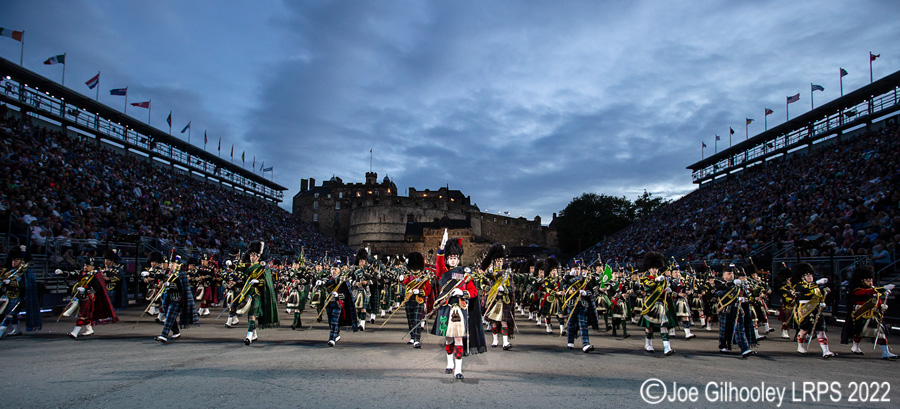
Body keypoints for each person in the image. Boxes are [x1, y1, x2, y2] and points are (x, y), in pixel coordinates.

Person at [430, 233, 486, 380]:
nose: (453, 260)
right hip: (446, 308)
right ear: (448, 259)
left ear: (458, 259)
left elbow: (474, 291)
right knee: (448, 339)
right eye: (451, 258)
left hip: (460, 308)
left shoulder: (464, 273)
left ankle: (459, 369)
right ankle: (449, 363)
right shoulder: (443, 272)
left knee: (459, 339)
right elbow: (439, 263)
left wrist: (463, 291)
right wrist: (441, 248)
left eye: (455, 258)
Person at [840, 265, 897, 359]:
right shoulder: (857, 290)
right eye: (867, 280)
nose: (870, 282)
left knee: (880, 333)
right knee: (859, 332)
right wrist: (882, 288)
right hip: (861, 314)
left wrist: (882, 306)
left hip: (873, 315)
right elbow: (866, 292)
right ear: (861, 281)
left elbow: (877, 301)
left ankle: (885, 352)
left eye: (871, 280)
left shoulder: (873, 290)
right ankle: (855, 347)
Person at [62, 255, 118, 339]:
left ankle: (75, 332)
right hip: (81, 297)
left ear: (92, 267)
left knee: (83, 314)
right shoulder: (82, 273)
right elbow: (72, 274)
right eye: (85, 265)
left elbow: (97, 288)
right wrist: (62, 272)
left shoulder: (95, 275)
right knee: (86, 315)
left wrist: (85, 289)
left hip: (88, 297)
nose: (85, 267)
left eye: (87, 266)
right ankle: (89, 329)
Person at [792, 263, 835, 358]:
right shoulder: (798, 285)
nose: (810, 277)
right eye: (808, 275)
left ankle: (826, 350)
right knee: (804, 330)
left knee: (821, 330)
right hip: (805, 310)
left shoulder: (815, 287)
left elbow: (818, 296)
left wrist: (822, 302)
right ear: (802, 277)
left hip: (815, 310)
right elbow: (806, 289)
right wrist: (818, 283)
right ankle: (800, 346)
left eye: (811, 275)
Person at [638, 252, 677, 355]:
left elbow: (664, 290)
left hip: (661, 304)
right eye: (653, 268)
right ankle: (648, 344)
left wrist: (668, 291)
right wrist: (655, 280)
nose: (654, 270)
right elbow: (646, 286)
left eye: (656, 268)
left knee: (664, 325)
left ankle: (667, 347)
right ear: (649, 268)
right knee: (649, 327)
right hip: (650, 304)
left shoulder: (662, 278)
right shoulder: (644, 277)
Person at [241, 241, 280, 346]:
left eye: (254, 255)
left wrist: (258, 282)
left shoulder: (263, 267)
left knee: (253, 313)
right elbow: (240, 271)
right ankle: (253, 333)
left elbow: (267, 281)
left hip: (258, 294)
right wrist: (231, 265)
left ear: (259, 256)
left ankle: (248, 335)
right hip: (248, 293)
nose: (252, 257)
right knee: (250, 315)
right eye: (251, 255)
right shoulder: (248, 266)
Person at [0, 245, 42, 337]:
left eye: (16, 260)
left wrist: (10, 282)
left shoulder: (25, 273)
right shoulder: (9, 272)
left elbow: (24, 284)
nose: (13, 262)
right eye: (13, 260)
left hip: (17, 295)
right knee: (10, 313)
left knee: (9, 313)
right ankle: (17, 330)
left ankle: (0, 331)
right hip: (7, 295)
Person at [482, 244, 516, 350]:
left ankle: (505, 342)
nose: (499, 263)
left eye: (501, 261)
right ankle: (495, 339)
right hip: (494, 299)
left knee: (504, 321)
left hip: (503, 299)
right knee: (494, 322)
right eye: (497, 261)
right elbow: (486, 276)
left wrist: (504, 289)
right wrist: (490, 272)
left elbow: (511, 289)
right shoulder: (492, 273)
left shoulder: (507, 274)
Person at [318, 263, 357, 346]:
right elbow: (324, 287)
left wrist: (338, 296)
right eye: (332, 269)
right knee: (330, 320)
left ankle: (331, 339)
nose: (333, 271)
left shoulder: (343, 280)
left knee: (334, 322)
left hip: (338, 303)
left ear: (339, 270)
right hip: (328, 303)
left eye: (335, 269)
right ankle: (337, 333)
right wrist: (319, 284)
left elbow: (347, 294)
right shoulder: (327, 279)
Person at [401, 252, 431, 348]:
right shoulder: (408, 276)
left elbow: (428, 290)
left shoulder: (424, 278)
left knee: (417, 320)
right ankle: (412, 337)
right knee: (410, 320)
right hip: (409, 300)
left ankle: (417, 339)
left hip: (419, 301)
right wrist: (401, 279)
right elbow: (405, 282)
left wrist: (420, 292)